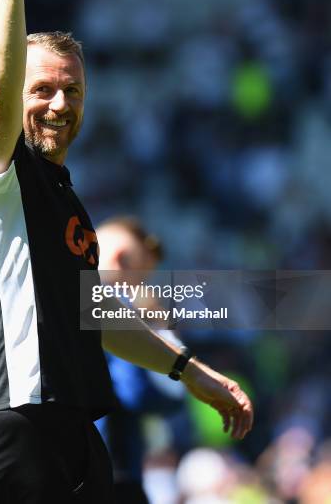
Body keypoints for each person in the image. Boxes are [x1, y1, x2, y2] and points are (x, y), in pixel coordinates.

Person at [0, 0, 253, 504]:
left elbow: (103, 316)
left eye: (72, 90)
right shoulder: (5, 181)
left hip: (72, 427)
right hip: (17, 419)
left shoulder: (69, 206)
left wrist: (192, 372)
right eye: (42, 89)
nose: (59, 104)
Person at [95, 216, 186, 504]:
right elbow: (138, 392)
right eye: (140, 277)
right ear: (122, 260)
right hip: (108, 468)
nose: (141, 288)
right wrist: (159, 335)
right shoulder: (113, 301)